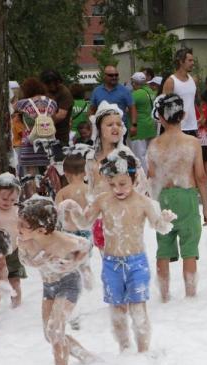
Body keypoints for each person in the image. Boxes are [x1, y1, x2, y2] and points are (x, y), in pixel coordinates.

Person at [60, 150, 176, 353]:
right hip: (111, 263)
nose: (117, 189)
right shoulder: (103, 200)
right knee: (117, 310)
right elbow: (84, 223)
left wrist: (164, 220)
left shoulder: (143, 202)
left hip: (136, 262)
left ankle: (143, 352)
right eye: (112, 184)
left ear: (134, 178)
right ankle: (124, 348)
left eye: (122, 184)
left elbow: (158, 226)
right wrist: (72, 208)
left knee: (138, 310)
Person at [17, 197, 95, 365]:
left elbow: (85, 245)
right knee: (49, 334)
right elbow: (24, 260)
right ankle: (84, 355)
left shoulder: (62, 240)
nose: (18, 228)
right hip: (49, 286)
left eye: (22, 225)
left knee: (56, 329)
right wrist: (39, 261)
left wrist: (72, 263)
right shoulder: (24, 241)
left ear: (41, 230)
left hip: (69, 283)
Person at [146, 94, 207, 301]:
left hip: (163, 197)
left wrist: (152, 208)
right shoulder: (192, 142)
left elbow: (152, 178)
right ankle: (190, 295)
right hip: (187, 195)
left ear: (161, 118)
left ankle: (164, 296)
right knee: (190, 247)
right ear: (183, 115)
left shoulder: (154, 144)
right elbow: (201, 176)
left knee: (163, 247)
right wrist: (206, 206)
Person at [85, 101, 148, 252]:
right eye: (110, 124)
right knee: (109, 266)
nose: (115, 127)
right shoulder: (91, 158)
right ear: (99, 129)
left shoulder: (126, 155)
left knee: (128, 262)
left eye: (119, 124)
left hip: (125, 218)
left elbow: (142, 185)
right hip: (102, 219)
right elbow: (89, 189)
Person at [55, 151, 94, 290]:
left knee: (69, 264)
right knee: (85, 262)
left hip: (68, 234)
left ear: (65, 173)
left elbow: (57, 214)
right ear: (85, 173)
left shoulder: (63, 192)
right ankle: (89, 287)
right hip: (86, 234)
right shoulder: (89, 190)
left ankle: (71, 288)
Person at [0, 173, 24, 308]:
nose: (8, 202)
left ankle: (16, 306)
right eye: (5, 199)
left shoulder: (17, 211)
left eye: (13, 200)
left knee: (15, 280)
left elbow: (22, 230)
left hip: (13, 251)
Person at [15, 77, 58, 189]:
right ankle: (52, 197)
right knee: (50, 171)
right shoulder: (52, 103)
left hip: (30, 143)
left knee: (30, 175)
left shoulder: (23, 104)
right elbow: (53, 118)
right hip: (47, 143)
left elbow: (12, 109)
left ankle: (33, 201)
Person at [162, 48, 200, 136]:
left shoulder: (193, 80)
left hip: (192, 126)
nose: (193, 63)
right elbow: (163, 106)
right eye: (190, 60)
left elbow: (196, 99)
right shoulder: (171, 81)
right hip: (176, 129)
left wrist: (201, 115)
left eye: (193, 60)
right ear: (181, 62)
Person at [89, 65, 137, 134]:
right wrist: (91, 125)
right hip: (102, 130)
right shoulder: (97, 91)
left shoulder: (125, 91)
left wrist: (134, 125)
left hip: (120, 129)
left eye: (116, 75)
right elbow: (92, 110)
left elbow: (132, 108)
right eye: (111, 75)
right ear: (104, 76)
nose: (114, 77)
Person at [129, 72, 157, 169]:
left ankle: (143, 179)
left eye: (132, 82)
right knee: (150, 156)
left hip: (139, 128)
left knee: (139, 157)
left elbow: (128, 109)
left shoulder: (136, 94)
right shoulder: (151, 91)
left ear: (134, 83)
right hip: (151, 126)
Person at [41, 70, 74, 148]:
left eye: (54, 82)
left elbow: (61, 115)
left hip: (60, 136)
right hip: (42, 136)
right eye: (48, 83)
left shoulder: (64, 93)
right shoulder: (42, 91)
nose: (51, 85)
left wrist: (42, 125)